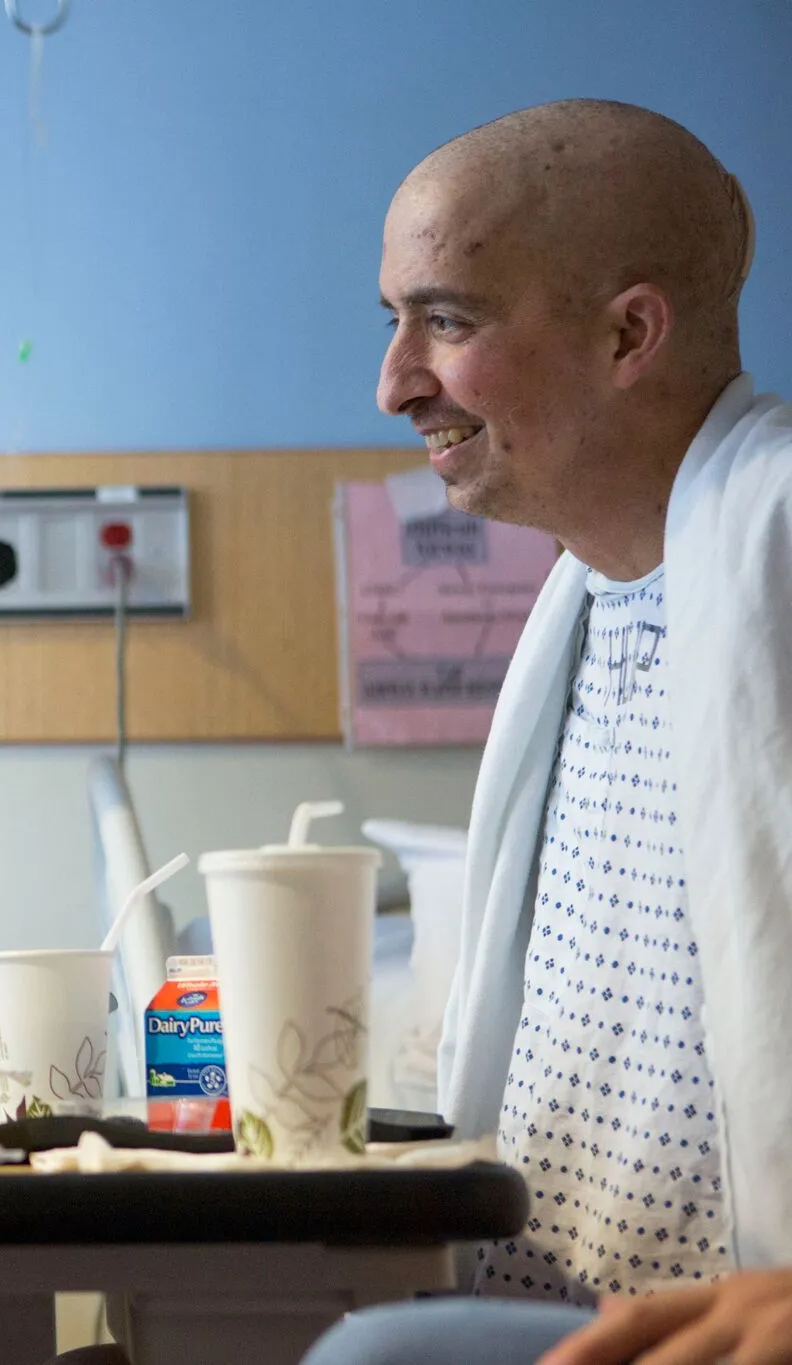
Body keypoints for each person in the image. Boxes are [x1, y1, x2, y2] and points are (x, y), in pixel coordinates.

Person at [303, 98, 792, 1365]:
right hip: (552, 1312)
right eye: (394, 320)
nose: (393, 380)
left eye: (446, 319)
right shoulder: (593, 593)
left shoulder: (777, 540)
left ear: (628, 333)